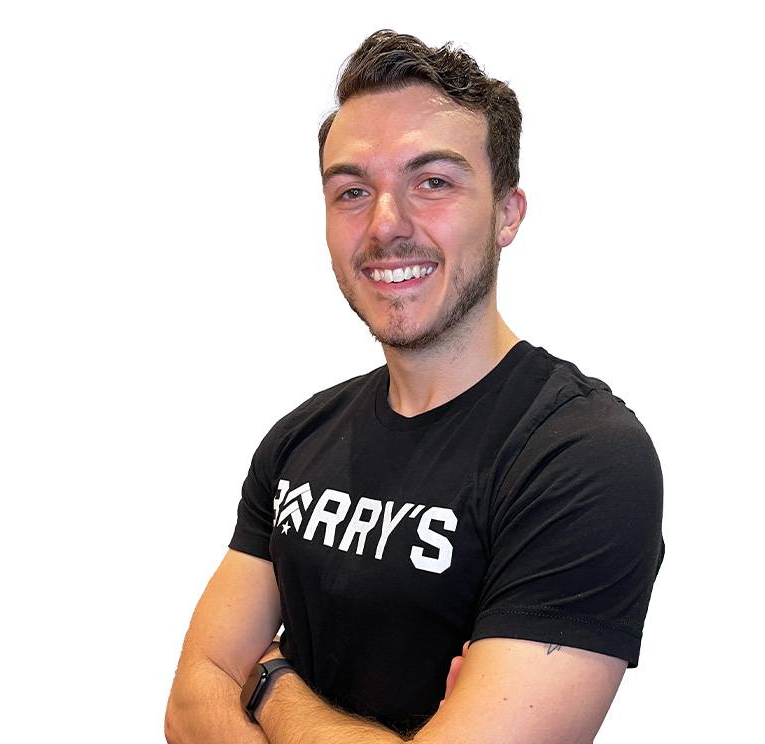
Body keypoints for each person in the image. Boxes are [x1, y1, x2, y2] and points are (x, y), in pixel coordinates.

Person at [165, 29, 665, 744]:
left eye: (433, 182)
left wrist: (270, 683)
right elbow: (190, 701)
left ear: (506, 214)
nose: (385, 225)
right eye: (352, 190)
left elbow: (231, 675)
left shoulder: (582, 458)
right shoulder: (299, 437)